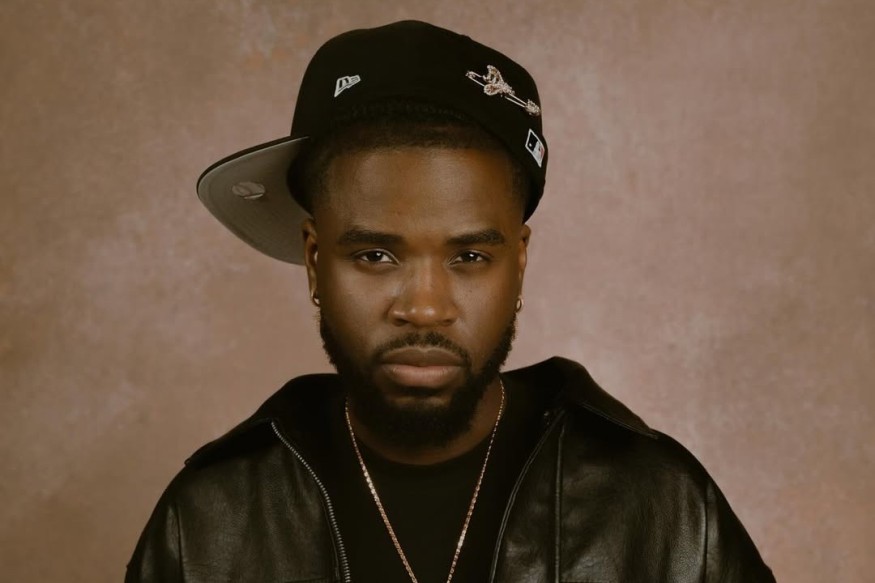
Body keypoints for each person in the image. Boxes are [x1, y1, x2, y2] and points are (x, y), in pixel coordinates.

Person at [126, 20, 775, 583]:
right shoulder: (207, 518)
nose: (424, 308)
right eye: (374, 255)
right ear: (315, 261)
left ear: (518, 264)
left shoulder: (661, 504)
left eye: (468, 257)